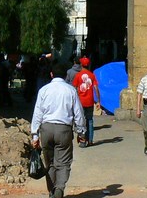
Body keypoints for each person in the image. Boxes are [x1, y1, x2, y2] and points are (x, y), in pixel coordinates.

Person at [31, 62, 87, 198]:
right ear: (66, 75)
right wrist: (81, 132)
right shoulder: (71, 90)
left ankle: (51, 191)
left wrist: (35, 135)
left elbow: (37, 113)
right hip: (64, 130)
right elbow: (78, 113)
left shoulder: (44, 90)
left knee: (49, 163)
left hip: (46, 129)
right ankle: (59, 189)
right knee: (63, 162)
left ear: (51, 74)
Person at [72, 56, 101, 147]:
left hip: (80, 101)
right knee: (90, 120)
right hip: (90, 101)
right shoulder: (92, 75)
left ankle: (82, 139)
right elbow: (96, 88)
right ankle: (91, 140)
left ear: (81, 64)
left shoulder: (78, 75)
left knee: (80, 120)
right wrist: (98, 101)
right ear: (89, 65)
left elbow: (74, 88)